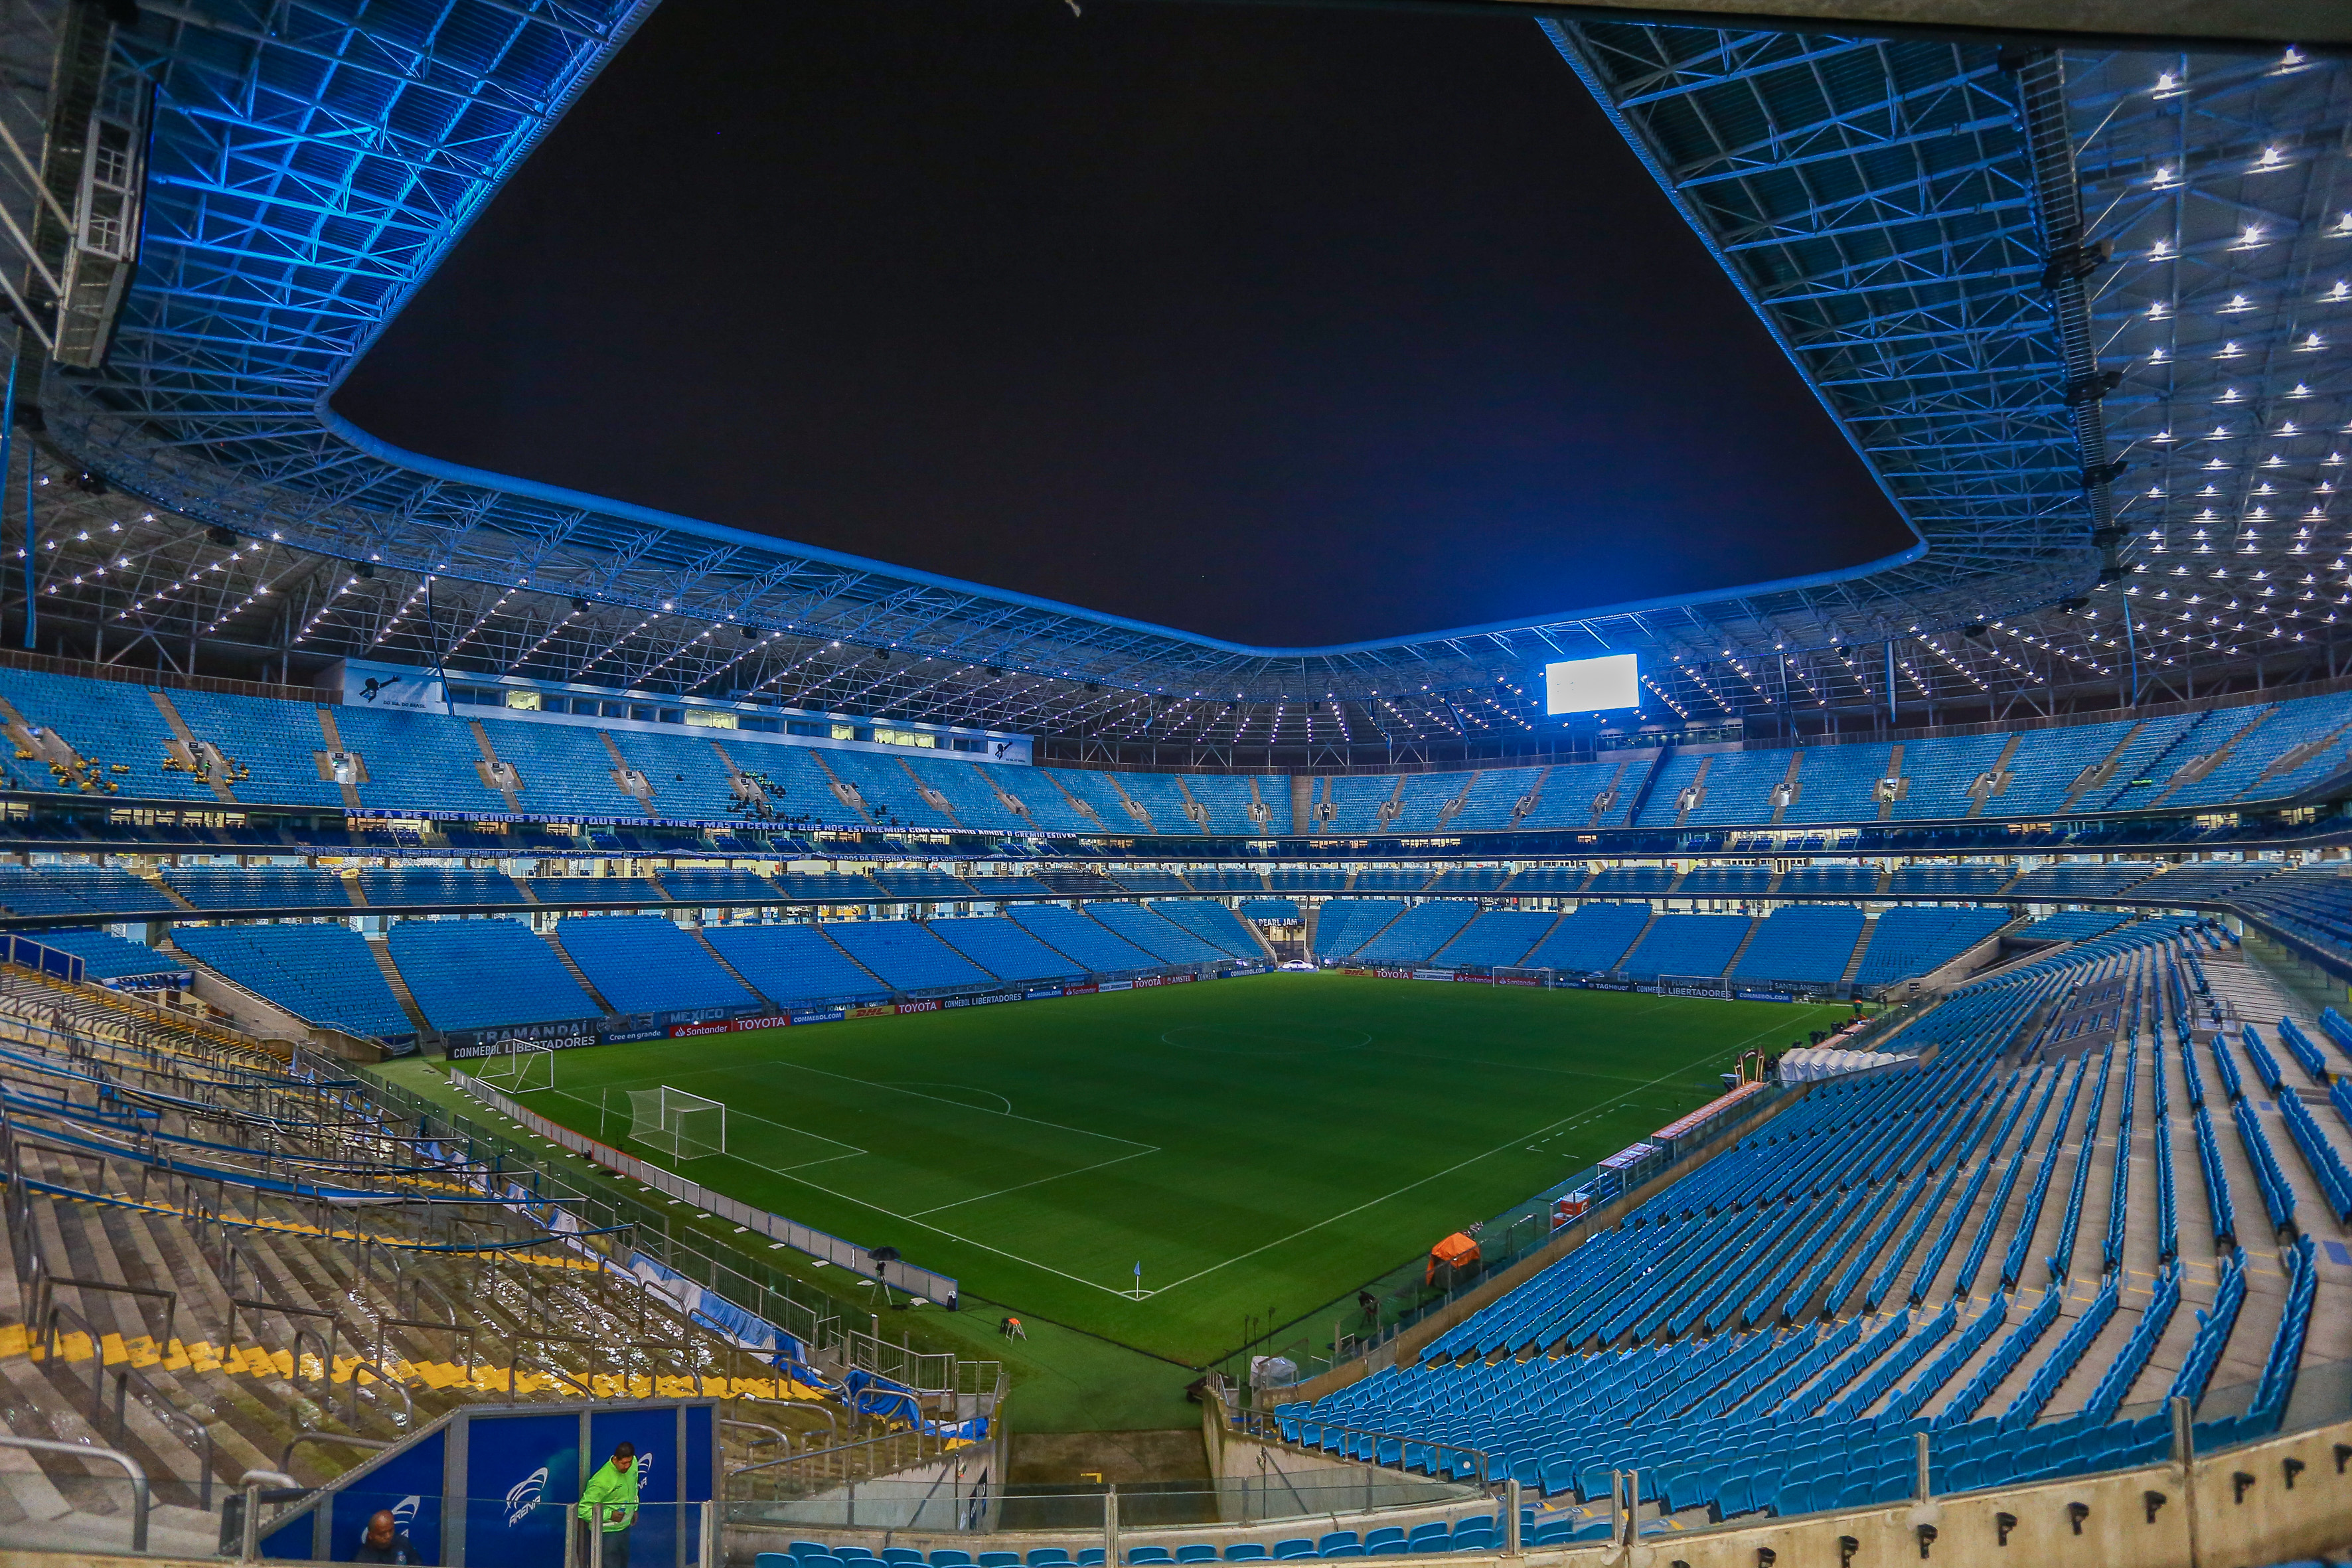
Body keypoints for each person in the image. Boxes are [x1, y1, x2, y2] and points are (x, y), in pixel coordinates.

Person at [578, 1442, 639, 1568]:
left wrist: (635, 1508)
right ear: (615, 1459)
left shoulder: (633, 1465)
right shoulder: (601, 1480)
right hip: (606, 1532)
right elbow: (583, 1509)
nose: (627, 1466)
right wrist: (609, 1515)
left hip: (624, 1527)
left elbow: (633, 1487)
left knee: (623, 1563)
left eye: (630, 1462)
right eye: (624, 1463)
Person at [352, 1510, 422, 1564]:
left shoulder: (403, 1542)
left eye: (391, 1531)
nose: (388, 1536)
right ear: (371, 1536)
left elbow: (417, 1564)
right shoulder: (363, 1560)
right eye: (382, 1534)